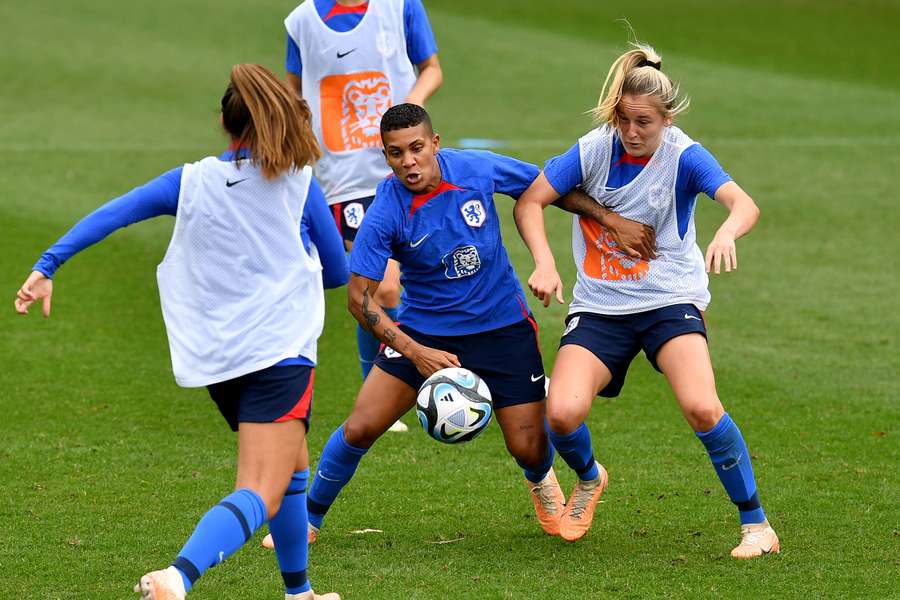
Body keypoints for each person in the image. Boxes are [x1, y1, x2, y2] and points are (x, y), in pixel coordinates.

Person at [14, 64, 347, 599]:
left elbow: (116, 213)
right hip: (279, 357)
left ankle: (299, 593)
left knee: (291, 472)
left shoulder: (188, 181)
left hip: (220, 362)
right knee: (260, 489)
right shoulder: (299, 185)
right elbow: (336, 274)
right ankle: (178, 576)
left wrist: (48, 264)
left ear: (223, 122)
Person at [301, 102, 655, 544]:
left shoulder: (475, 169)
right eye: (396, 153)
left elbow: (549, 187)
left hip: (502, 326)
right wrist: (415, 351)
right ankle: (307, 520)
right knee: (361, 426)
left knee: (528, 447)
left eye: (416, 148)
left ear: (435, 143)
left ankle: (571, 478)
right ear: (386, 156)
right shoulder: (386, 210)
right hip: (424, 333)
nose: (408, 162)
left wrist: (610, 219)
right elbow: (359, 299)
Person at [513, 42, 780, 557]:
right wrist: (545, 262)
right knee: (562, 415)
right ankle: (590, 477)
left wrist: (727, 233)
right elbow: (531, 201)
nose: (631, 133)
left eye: (643, 123)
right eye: (623, 120)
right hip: (599, 306)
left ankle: (757, 526)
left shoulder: (684, 154)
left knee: (702, 406)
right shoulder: (594, 147)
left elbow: (742, 203)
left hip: (669, 301)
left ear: (667, 118)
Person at [284, 0, 442, 403]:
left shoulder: (401, 7)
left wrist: (407, 113)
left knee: (428, 275)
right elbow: (293, 97)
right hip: (347, 177)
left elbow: (432, 69)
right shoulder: (301, 21)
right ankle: (383, 389)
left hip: (407, 164)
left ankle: (433, 371)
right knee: (382, 289)